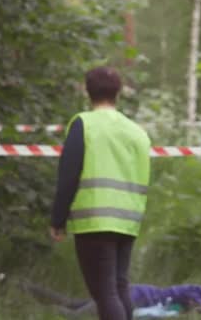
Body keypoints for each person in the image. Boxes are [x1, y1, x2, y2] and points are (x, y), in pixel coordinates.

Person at [49, 66, 151, 320]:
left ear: (87, 91)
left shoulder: (84, 124)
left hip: (93, 219)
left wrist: (57, 220)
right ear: (118, 92)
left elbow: (69, 175)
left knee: (105, 293)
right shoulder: (136, 132)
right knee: (119, 287)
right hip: (127, 220)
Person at [19, 280, 201, 316]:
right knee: (74, 314)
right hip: (131, 297)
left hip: (132, 293)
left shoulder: (196, 291)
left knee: (73, 304)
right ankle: (32, 305)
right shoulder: (195, 294)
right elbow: (200, 306)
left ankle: (28, 289)